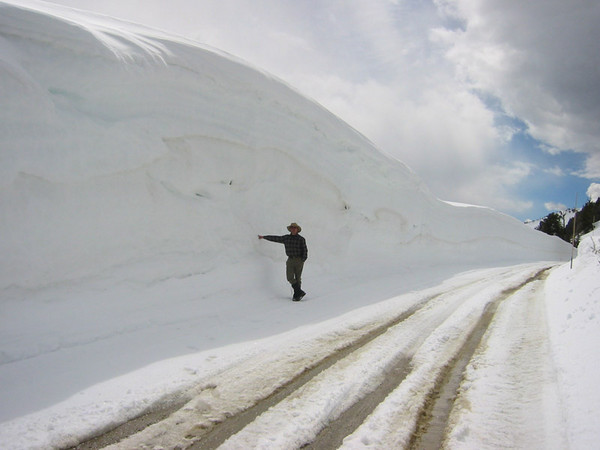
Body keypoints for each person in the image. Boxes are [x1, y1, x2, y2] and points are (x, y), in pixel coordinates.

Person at [258, 222, 308, 301]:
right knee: (290, 277)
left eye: (295, 228)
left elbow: (305, 250)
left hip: (299, 260)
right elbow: (276, 238)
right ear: (290, 229)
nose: (293, 229)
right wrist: (264, 237)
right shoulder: (286, 238)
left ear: (297, 230)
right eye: (292, 228)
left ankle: (297, 295)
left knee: (298, 278)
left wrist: (303, 259)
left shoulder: (301, 239)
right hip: (290, 260)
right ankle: (299, 292)